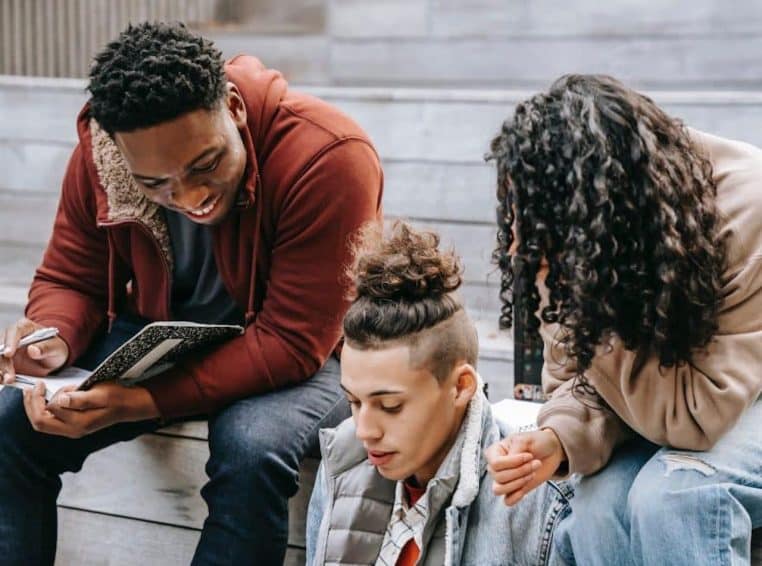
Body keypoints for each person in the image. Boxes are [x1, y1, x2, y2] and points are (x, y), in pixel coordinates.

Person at [0, 22, 382, 565]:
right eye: (155, 184)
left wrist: (139, 403)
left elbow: (293, 342)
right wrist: (51, 339)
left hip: (314, 349)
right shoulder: (102, 157)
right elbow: (70, 278)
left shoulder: (328, 156)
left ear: (234, 107)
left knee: (252, 448)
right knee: (8, 425)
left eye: (207, 164)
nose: (191, 196)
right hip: (168, 335)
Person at [485, 74, 762, 565]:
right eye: (515, 215)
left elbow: (698, 414)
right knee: (598, 505)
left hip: (734, 399)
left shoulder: (746, 210)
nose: (517, 243)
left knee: (675, 496)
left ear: (597, 213)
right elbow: (580, 385)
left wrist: (587, 296)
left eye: (538, 222)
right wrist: (558, 438)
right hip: (682, 404)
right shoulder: (592, 246)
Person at [306, 221, 572, 566]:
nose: (364, 430)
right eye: (354, 402)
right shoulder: (342, 458)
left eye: (390, 406)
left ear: (461, 387)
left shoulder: (534, 499)